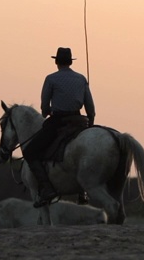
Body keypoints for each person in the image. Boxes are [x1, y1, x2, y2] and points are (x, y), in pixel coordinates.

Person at [24, 47, 95, 208]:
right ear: (70, 62)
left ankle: (47, 189)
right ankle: (82, 191)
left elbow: (43, 108)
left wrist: (46, 111)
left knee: (30, 152)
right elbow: (91, 109)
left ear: (56, 62)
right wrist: (90, 124)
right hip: (79, 121)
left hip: (59, 122)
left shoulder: (51, 79)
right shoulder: (81, 78)